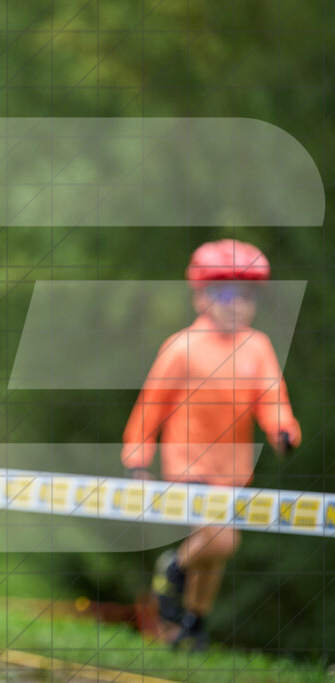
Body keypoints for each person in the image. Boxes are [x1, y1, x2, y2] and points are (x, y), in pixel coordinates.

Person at [121, 239, 301, 649]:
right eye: (224, 293)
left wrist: (283, 430)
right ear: (202, 296)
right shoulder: (183, 346)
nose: (235, 304)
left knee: (216, 553)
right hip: (188, 462)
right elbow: (151, 406)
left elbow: (272, 399)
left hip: (233, 467)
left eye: (245, 295)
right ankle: (174, 567)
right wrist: (137, 456)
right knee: (222, 538)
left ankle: (191, 623)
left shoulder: (258, 347)